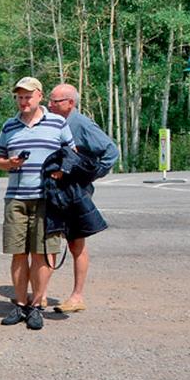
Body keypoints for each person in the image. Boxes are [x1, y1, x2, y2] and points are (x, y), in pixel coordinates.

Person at [0, 77, 74, 330]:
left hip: (46, 198)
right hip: (16, 197)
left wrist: (61, 170)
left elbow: (72, 155)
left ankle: (37, 306)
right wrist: (9, 164)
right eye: (19, 97)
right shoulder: (9, 126)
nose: (23, 101)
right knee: (18, 253)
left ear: (39, 96)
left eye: (28, 96)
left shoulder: (57, 123)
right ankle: (20, 304)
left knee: (41, 254)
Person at [47, 83, 119, 313]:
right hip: (53, 190)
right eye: (50, 100)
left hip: (75, 192)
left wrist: (88, 176)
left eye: (56, 101)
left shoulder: (81, 124)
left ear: (70, 103)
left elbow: (110, 151)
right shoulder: (51, 121)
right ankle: (41, 295)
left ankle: (77, 297)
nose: (50, 105)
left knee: (76, 243)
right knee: (48, 241)